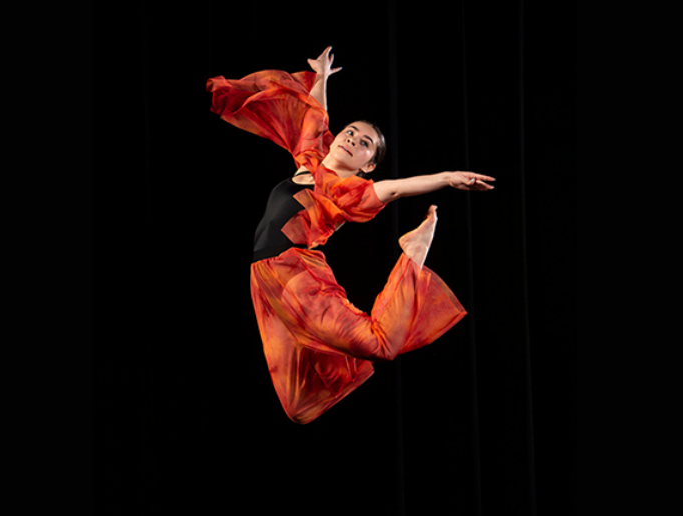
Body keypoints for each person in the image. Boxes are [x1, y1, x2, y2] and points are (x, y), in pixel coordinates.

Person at [207, 46, 495, 424]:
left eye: (364, 145)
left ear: (368, 165)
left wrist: (445, 178)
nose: (352, 140)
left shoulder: (347, 191)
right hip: (265, 280)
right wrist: (323, 77)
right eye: (351, 133)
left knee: (379, 344)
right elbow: (315, 115)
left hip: (296, 277)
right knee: (298, 404)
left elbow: (392, 189)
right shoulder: (310, 158)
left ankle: (412, 253)